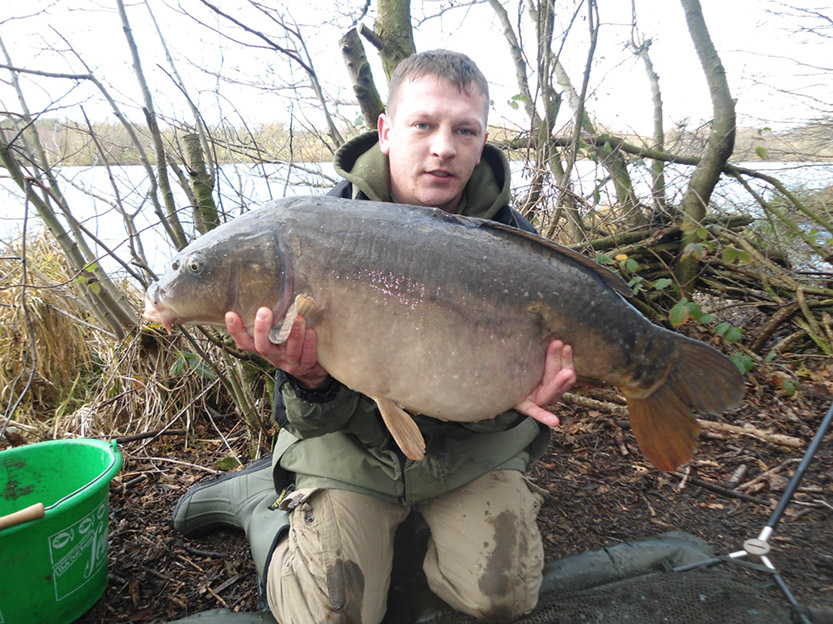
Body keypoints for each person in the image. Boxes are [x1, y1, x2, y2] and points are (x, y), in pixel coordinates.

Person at [172, 49, 576, 624]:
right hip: (348, 450)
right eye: (423, 125)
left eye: (465, 130)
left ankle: (408, 530)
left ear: (483, 141)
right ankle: (262, 504)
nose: (444, 146)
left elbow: (497, 413)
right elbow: (305, 420)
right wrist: (308, 378)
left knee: (501, 599)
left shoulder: (509, 245)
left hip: (467, 453)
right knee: (331, 616)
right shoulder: (315, 231)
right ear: (385, 131)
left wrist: (515, 396)